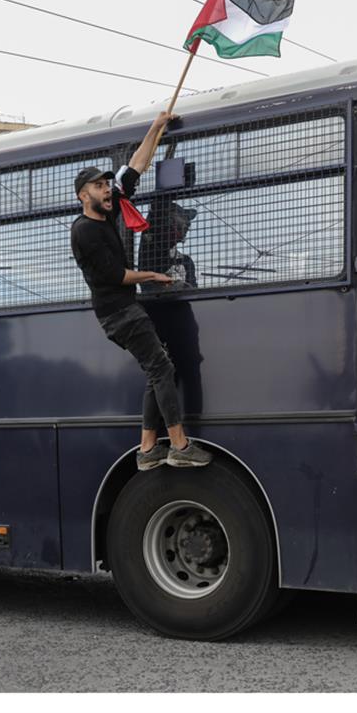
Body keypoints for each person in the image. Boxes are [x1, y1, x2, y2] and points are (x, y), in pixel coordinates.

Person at [70, 111, 213, 472]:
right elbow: (116, 275)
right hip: (117, 313)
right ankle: (178, 444)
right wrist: (154, 275)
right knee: (162, 369)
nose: (107, 190)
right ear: (83, 196)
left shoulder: (109, 209)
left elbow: (135, 167)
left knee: (158, 368)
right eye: (99, 187)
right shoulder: (84, 231)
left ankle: (148, 448)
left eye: (107, 185)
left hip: (126, 309)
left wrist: (155, 128)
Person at [138, 201, 199, 292]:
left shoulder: (185, 262)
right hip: (153, 294)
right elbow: (157, 203)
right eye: (184, 217)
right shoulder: (156, 226)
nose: (188, 223)